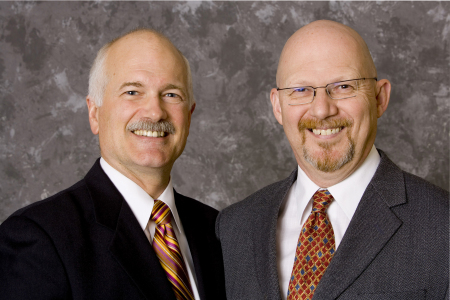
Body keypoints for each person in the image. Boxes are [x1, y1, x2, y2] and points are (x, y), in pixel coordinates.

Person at [216, 20, 449, 300]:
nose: (322, 109)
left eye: (343, 86)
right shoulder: (233, 228)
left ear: (379, 98)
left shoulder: (442, 226)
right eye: (301, 90)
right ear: (278, 107)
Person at [0, 29, 226, 300]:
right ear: (94, 114)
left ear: (189, 115)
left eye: (171, 94)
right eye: (132, 92)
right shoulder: (40, 237)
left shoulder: (221, 230)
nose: (155, 112)